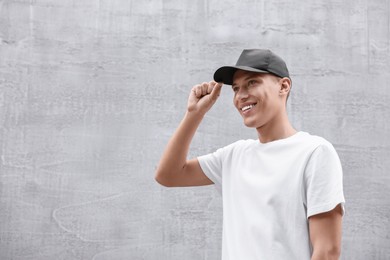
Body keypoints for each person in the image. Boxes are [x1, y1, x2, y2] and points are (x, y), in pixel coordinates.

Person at [155, 49, 345, 260]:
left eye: (252, 82)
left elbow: (327, 251)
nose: (241, 95)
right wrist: (194, 113)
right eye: (236, 88)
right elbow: (168, 175)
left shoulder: (315, 152)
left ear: (283, 86)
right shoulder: (233, 156)